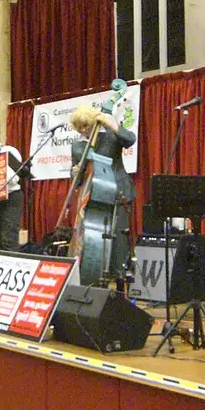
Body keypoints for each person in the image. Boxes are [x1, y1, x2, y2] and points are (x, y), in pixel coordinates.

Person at [66, 104, 139, 282]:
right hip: (95, 195)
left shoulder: (110, 137)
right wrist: (75, 173)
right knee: (96, 239)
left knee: (120, 237)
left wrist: (111, 124)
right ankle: (96, 277)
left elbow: (130, 139)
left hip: (118, 192)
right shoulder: (77, 146)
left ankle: (120, 278)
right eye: (79, 127)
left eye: (86, 125)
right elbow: (78, 175)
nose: (83, 130)